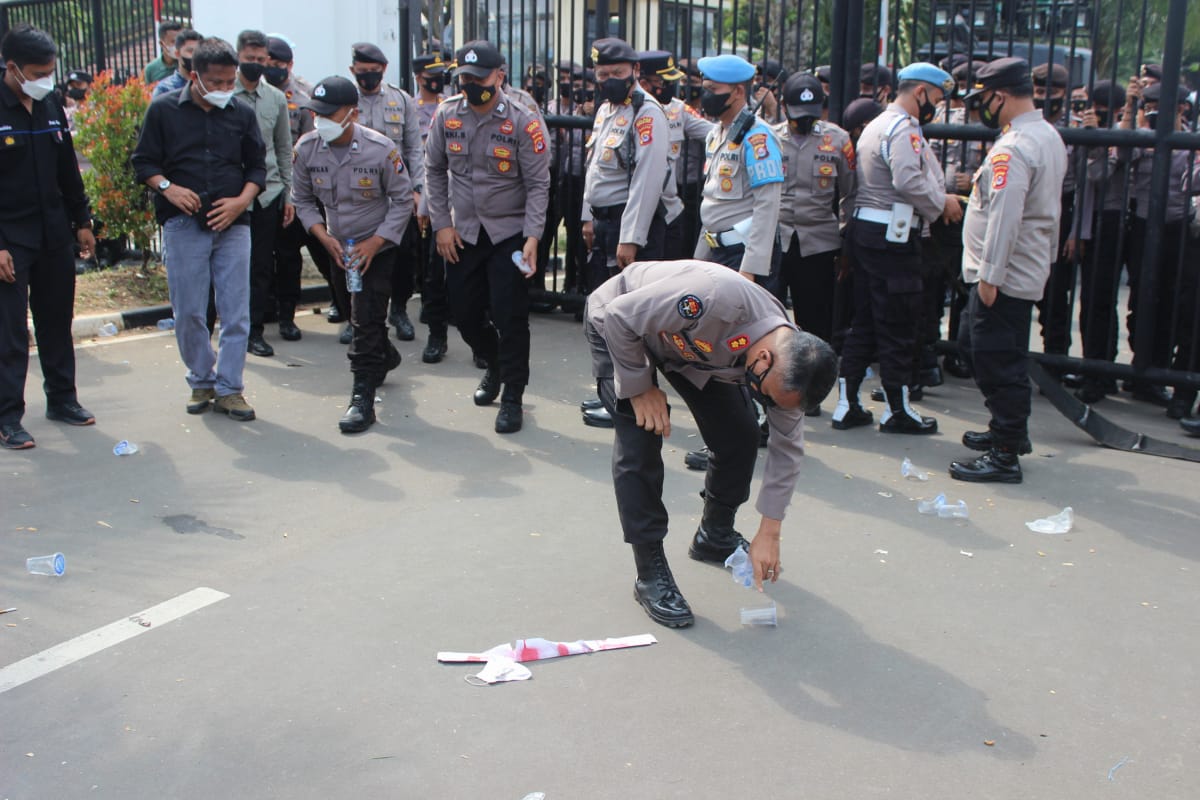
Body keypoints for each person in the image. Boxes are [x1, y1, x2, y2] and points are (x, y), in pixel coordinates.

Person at [585, 259, 837, 627]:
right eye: (766, 395)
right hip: (621, 329)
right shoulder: (712, 298)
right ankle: (649, 573)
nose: (769, 405)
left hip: (690, 352)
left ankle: (714, 535)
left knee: (742, 434)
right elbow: (620, 316)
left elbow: (787, 450)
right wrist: (639, 388)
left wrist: (770, 531)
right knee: (642, 436)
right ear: (763, 359)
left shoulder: (791, 370)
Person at [131, 37, 266, 421]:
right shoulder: (163, 110)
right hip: (183, 223)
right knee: (189, 311)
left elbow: (257, 167)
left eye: (229, 81)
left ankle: (230, 389)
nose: (225, 89)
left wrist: (241, 201)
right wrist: (168, 188)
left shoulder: (241, 113)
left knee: (236, 312)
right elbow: (143, 162)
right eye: (217, 82)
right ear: (194, 77)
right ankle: (202, 379)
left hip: (233, 222)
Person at [425, 40, 551, 434]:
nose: (471, 85)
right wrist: (442, 224)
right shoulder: (447, 114)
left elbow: (538, 183)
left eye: (479, 78)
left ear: (500, 75)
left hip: (508, 233)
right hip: (462, 232)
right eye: (465, 77)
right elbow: (433, 170)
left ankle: (512, 394)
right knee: (463, 314)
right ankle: (493, 364)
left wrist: (532, 236)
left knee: (510, 315)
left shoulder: (523, 120)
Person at [951, 57, 1067, 483]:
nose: (980, 108)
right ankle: (1009, 431)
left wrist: (990, 276)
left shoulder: (1015, 147)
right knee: (985, 348)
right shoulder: (1046, 135)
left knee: (998, 361)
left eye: (983, 99)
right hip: (1020, 268)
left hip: (1004, 274)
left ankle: (1005, 453)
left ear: (999, 96)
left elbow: (1005, 217)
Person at [831, 62, 961, 435]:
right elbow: (907, 180)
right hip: (893, 236)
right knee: (899, 323)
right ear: (921, 92)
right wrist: (940, 204)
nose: (937, 106)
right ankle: (896, 409)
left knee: (866, 320)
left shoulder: (877, 124)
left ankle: (847, 403)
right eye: (936, 98)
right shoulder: (903, 129)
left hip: (868, 232)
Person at [292, 76, 411, 433]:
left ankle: (362, 399)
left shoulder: (380, 149)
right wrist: (322, 237)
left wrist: (376, 242)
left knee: (366, 319)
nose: (321, 120)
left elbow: (402, 200)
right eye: (317, 113)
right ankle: (384, 354)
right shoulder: (307, 148)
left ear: (352, 114)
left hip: (376, 246)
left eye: (330, 114)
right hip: (337, 247)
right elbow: (302, 200)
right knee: (351, 312)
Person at [0, 24, 95, 450]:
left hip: (53, 230)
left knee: (56, 320)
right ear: (12, 67)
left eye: (49, 72)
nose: (45, 80)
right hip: (10, 236)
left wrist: (82, 220)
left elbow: (67, 168)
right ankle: (7, 417)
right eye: (37, 73)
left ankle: (62, 399)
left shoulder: (50, 102)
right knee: (9, 332)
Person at [773, 73, 855, 349]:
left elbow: (850, 193)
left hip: (819, 243)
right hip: (776, 239)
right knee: (770, 313)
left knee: (816, 320)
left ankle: (815, 367)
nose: (805, 122)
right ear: (784, 107)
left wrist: (845, 240)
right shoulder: (770, 138)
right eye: (798, 116)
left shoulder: (838, 139)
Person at [580, 38, 670, 289]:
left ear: (635, 70)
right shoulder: (605, 110)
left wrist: (632, 238)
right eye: (603, 74)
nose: (610, 80)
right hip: (602, 222)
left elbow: (647, 180)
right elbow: (594, 167)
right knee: (602, 299)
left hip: (627, 223)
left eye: (618, 73)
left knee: (630, 303)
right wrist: (588, 217)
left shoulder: (647, 112)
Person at [350, 42, 424, 343]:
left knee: (403, 256)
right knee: (354, 255)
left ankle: (399, 310)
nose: (368, 76)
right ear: (353, 70)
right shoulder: (345, 98)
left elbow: (414, 149)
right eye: (362, 71)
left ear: (384, 69)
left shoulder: (401, 100)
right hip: (357, 195)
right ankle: (355, 315)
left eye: (374, 70)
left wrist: (417, 189)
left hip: (396, 193)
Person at [692, 53, 784, 279]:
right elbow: (713, 200)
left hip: (742, 255)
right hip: (716, 251)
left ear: (739, 92)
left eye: (713, 89)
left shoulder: (758, 137)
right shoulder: (716, 134)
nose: (706, 95)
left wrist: (751, 268)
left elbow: (767, 204)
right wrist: (698, 260)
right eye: (705, 88)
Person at [233, 30, 295, 357]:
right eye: (249, 59)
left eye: (261, 59)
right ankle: (231, 326)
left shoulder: (275, 98)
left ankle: (254, 331)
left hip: (268, 193)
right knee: (232, 266)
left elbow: (284, 148)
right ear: (238, 56)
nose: (255, 64)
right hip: (232, 196)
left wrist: (289, 194)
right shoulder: (224, 95)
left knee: (260, 266)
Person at [638, 50, 713, 261]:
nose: (671, 87)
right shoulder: (625, 112)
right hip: (636, 209)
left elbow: (713, 133)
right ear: (644, 84)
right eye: (664, 82)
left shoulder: (678, 109)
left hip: (669, 210)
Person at [412, 52, 452, 364]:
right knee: (435, 278)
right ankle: (437, 336)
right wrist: (425, 205)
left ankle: (483, 344)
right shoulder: (445, 113)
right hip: (443, 206)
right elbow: (432, 166)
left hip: (478, 213)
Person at [152, 29, 202, 98]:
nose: (195, 55)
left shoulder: (208, 85)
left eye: (198, 51)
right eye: (190, 51)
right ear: (177, 54)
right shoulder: (165, 88)